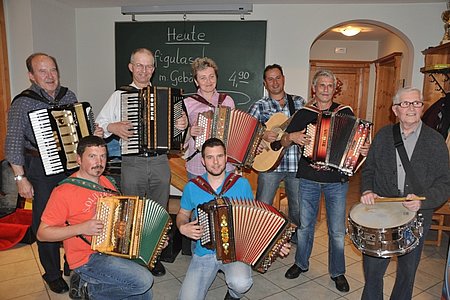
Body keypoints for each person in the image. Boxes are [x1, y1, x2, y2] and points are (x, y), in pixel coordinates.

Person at [96, 47, 187, 276]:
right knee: (132, 212)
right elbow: (98, 126)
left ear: (153, 69)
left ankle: (153, 257)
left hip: (159, 162)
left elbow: (179, 134)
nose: (144, 70)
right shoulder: (120, 95)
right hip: (132, 162)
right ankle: (132, 258)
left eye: (148, 66)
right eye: (139, 65)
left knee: (158, 213)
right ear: (131, 67)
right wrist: (111, 127)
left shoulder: (167, 96)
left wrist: (182, 126)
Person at [280, 69, 369, 293]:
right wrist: (292, 137)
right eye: (322, 85)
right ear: (314, 88)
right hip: (308, 178)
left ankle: (338, 272)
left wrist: (364, 149)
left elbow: (356, 144)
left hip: (336, 181)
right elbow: (281, 140)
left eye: (330, 86)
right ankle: (300, 263)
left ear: (334, 88)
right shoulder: (303, 113)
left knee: (337, 231)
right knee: (305, 226)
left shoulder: (345, 112)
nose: (326, 90)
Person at [359, 87, 450, 300]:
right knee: (373, 270)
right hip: (381, 214)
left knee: (407, 273)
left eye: (416, 103)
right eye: (406, 104)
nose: (412, 108)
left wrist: (423, 202)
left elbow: (445, 183)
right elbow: (369, 169)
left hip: (417, 216)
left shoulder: (435, 141)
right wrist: (367, 190)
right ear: (395, 110)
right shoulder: (382, 136)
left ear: (422, 107)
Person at [37, 136, 154, 299]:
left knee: (144, 290)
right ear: (78, 159)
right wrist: (82, 228)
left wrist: (150, 238)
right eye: (92, 156)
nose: (99, 162)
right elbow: (42, 234)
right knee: (143, 281)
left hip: (113, 249)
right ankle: (87, 291)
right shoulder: (63, 191)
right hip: (87, 258)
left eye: (103, 156)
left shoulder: (108, 182)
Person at [176, 138, 291, 300]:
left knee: (242, 283)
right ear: (203, 161)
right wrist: (183, 227)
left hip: (235, 252)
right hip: (204, 254)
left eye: (220, 156)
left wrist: (276, 244)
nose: (215, 162)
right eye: (210, 157)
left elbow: (254, 220)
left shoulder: (241, 184)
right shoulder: (192, 186)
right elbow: (182, 214)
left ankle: (233, 294)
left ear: (226, 158)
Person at [5, 53, 79, 294]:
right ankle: (52, 273)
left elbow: (78, 129)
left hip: (69, 166)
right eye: (43, 71)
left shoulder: (68, 96)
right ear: (31, 76)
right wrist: (20, 178)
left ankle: (73, 262)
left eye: (53, 70)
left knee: (73, 217)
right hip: (39, 169)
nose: (50, 76)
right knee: (47, 221)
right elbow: (13, 143)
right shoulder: (22, 103)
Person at [248, 64, 307, 227]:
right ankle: (260, 240)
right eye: (270, 79)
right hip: (268, 165)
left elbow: (309, 128)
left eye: (278, 78)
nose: (275, 82)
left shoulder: (299, 102)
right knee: (262, 207)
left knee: (297, 209)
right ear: (265, 83)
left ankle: (296, 239)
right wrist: (262, 134)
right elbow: (246, 133)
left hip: (295, 165)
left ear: (284, 79)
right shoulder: (259, 106)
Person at [183, 57, 235, 179]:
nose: (208, 81)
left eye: (212, 76)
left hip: (225, 165)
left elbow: (234, 131)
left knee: (226, 198)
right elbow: (180, 140)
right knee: (197, 198)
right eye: (203, 78)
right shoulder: (187, 103)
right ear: (196, 81)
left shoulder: (227, 101)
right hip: (197, 164)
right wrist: (190, 132)